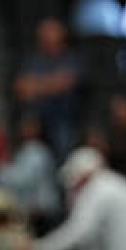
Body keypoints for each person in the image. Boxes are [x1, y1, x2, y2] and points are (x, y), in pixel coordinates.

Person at [14, 17, 83, 160]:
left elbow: (64, 84)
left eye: (49, 34)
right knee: (27, 127)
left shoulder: (70, 58)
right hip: (37, 117)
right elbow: (21, 87)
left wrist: (36, 86)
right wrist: (50, 84)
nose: (44, 38)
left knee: (63, 137)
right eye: (42, 35)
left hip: (64, 117)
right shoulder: (35, 59)